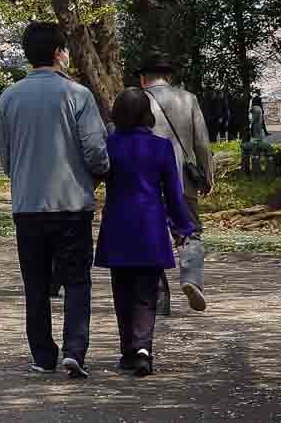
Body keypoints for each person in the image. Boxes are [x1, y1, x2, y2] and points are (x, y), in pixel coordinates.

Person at [0, 22, 109, 379]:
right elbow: (95, 150)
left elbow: (5, 156)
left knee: (36, 283)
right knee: (76, 279)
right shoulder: (78, 95)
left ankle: (43, 355)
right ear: (60, 53)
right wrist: (99, 172)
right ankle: (75, 349)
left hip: (28, 205)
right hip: (72, 202)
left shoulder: (9, 97)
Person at [95, 89, 196, 377]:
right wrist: (183, 226)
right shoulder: (161, 147)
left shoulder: (109, 146)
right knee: (146, 293)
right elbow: (174, 194)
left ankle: (127, 349)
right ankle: (143, 348)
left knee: (122, 291)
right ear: (146, 113)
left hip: (117, 225)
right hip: (150, 226)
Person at [138, 53, 213, 313]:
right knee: (190, 232)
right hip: (183, 181)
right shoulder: (188, 99)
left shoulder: (139, 100)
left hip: (147, 182)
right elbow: (202, 142)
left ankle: (160, 300)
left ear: (142, 78)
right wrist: (207, 175)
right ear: (169, 76)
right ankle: (191, 278)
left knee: (151, 237)